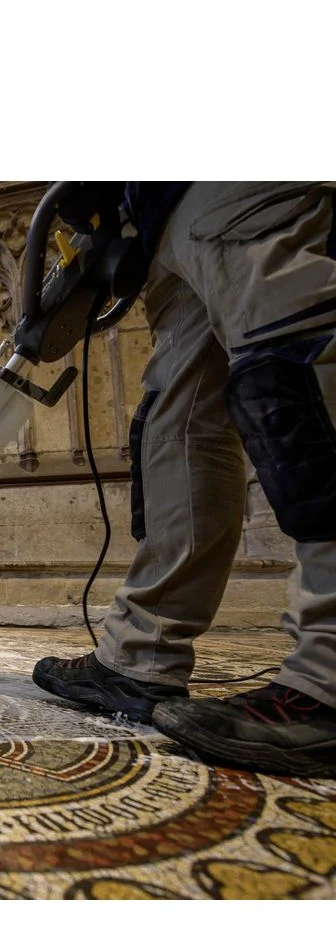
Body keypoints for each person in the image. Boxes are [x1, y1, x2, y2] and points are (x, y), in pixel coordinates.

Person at [31, 181, 336, 779]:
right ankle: (140, 655)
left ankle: (327, 679)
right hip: (162, 217)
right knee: (176, 428)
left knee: (296, 383)